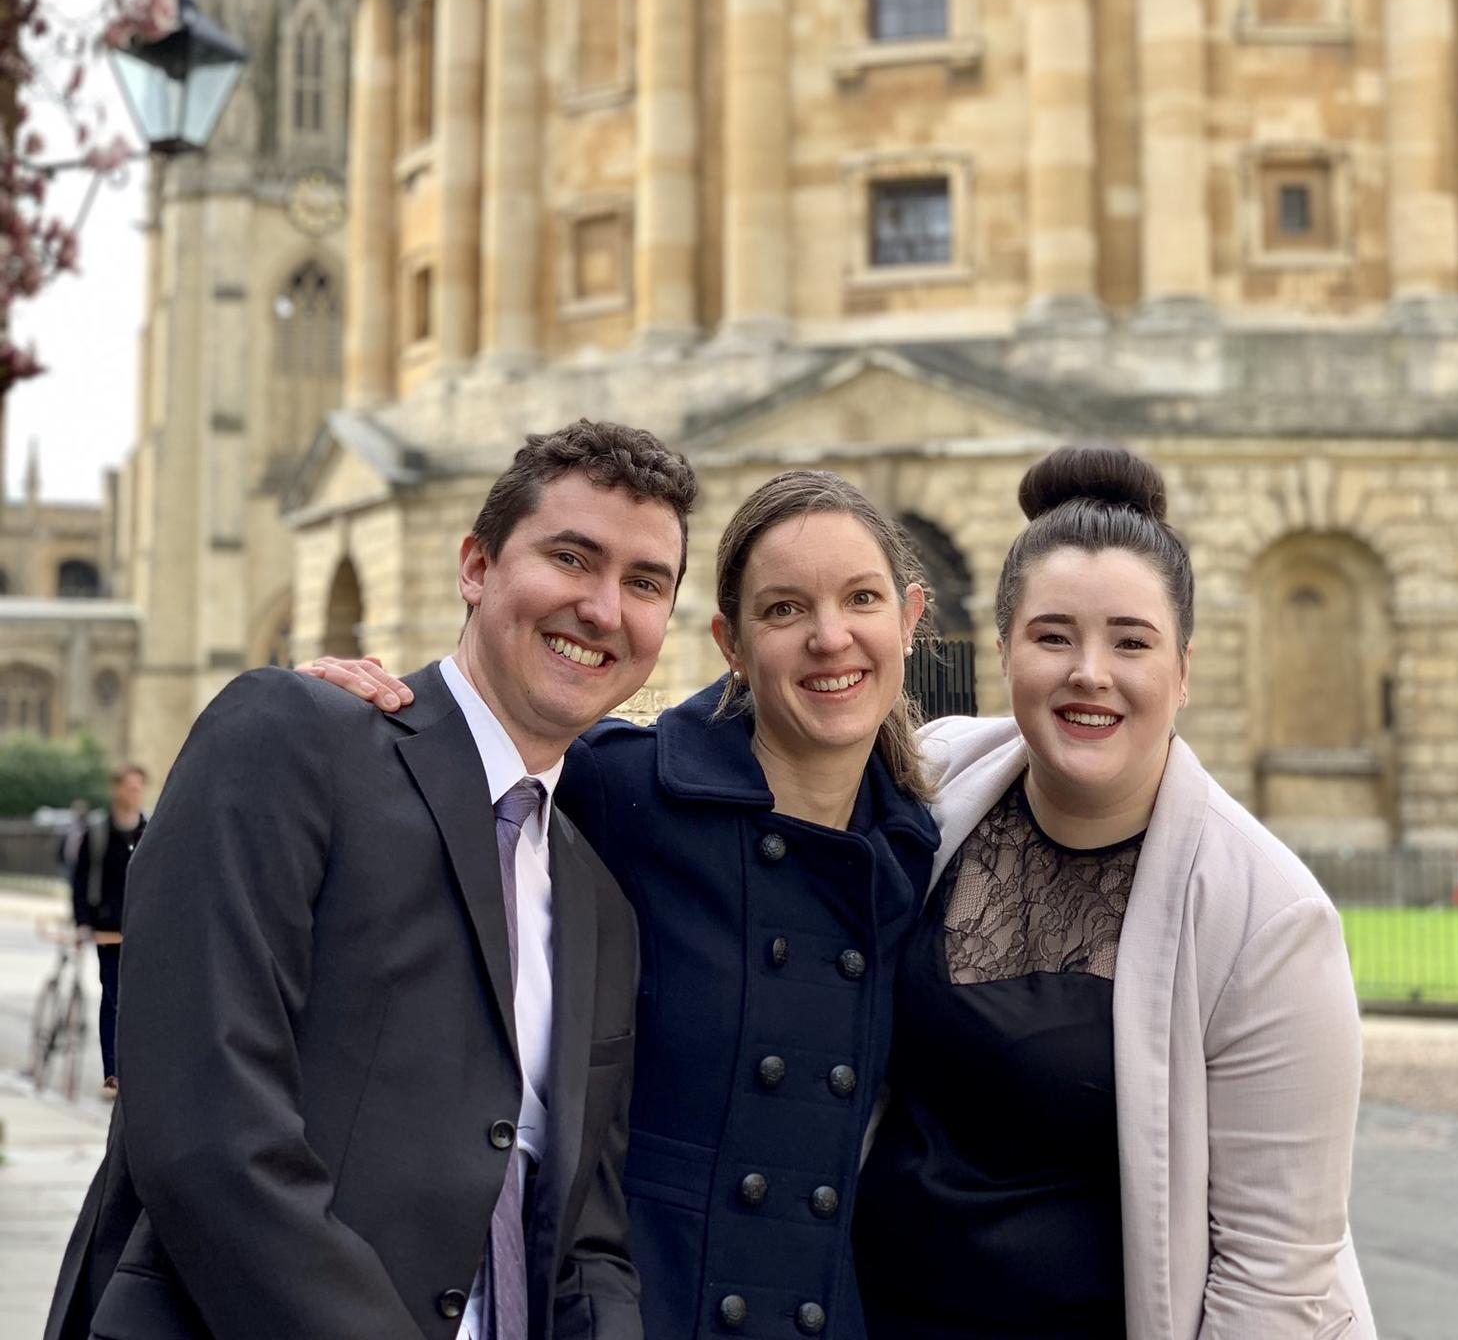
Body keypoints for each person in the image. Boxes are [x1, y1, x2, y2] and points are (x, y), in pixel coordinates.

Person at [46, 417, 697, 1340]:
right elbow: (208, 1136)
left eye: (644, 584)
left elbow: (584, 1233)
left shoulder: (595, 898)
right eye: (571, 556)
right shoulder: (297, 737)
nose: (603, 608)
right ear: (475, 567)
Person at [311, 468, 940, 1340]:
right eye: (785, 610)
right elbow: (453, 782)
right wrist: (350, 727)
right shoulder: (620, 791)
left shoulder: (916, 851)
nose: (830, 638)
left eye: (861, 599)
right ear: (730, 642)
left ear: (908, 621)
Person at [856, 444, 1374, 1340]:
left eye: (1131, 642)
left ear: (1182, 669)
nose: (1088, 672)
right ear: (1003, 650)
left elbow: (1276, 1276)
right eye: (1053, 636)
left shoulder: (1270, 920)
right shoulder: (934, 778)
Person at [70, 764, 147, 1093]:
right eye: (127, 787)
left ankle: (140, 1066)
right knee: (114, 996)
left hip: (142, 927)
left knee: (141, 999)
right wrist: (83, 921)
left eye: (137, 787)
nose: (132, 793)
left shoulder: (151, 830)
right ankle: (114, 1071)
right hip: (108, 928)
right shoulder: (99, 832)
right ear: (116, 789)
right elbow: (81, 878)